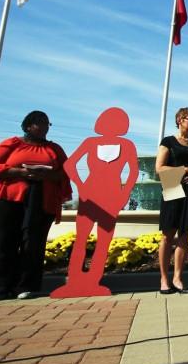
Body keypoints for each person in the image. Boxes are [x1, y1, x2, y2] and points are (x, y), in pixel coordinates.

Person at [0, 111, 72, 301]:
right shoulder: (12, 144)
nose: (44, 126)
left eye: (47, 123)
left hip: (41, 199)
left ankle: (27, 286)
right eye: (40, 123)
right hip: (7, 198)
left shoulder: (54, 149)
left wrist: (46, 175)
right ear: (28, 126)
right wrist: (19, 172)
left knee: (33, 242)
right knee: (5, 241)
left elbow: (65, 172)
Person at [52, 107, 139, 298]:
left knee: (104, 241)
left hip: (112, 196)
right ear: (102, 123)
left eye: (118, 122)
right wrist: (81, 185)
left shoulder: (127, 145)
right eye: (110, 122)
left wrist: (124, 194)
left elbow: (133, 171)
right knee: (81, 239)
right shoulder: (90, 142)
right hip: (89, 195)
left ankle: (93, 281)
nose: (113, 126)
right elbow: (69, 164)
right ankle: (74, 281)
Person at [156, 107, 188, 294]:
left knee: (185, 234)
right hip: (172, 184)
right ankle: (164, 279)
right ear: (179, 119)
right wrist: (185, 168)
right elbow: (159, 168)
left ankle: (178, 278)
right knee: (168, 234)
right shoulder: (168, 141)